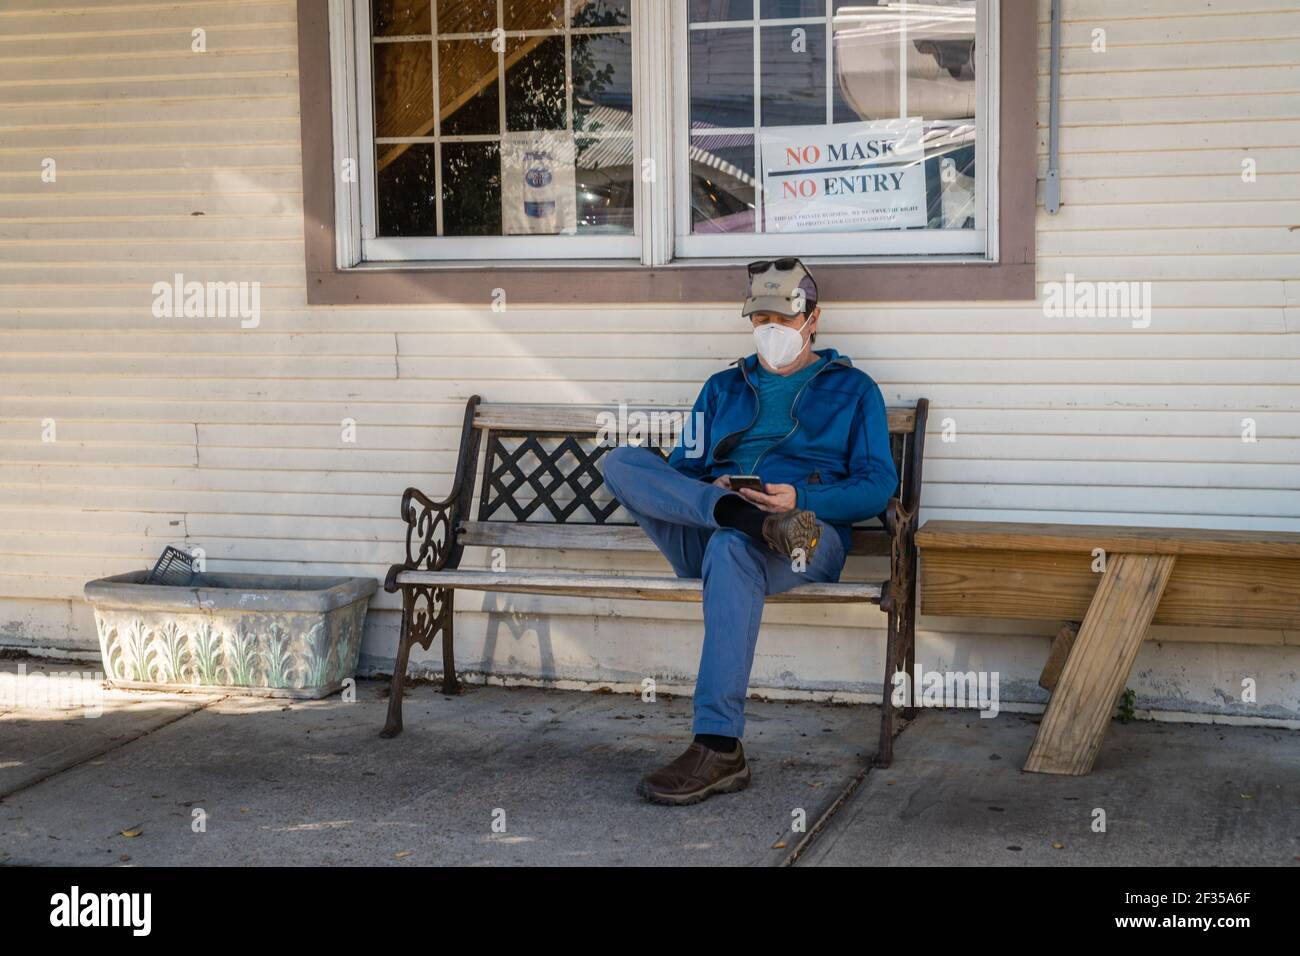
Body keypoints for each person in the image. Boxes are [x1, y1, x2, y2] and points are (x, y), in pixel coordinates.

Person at [601, 258, 898, 805]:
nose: (770, 331)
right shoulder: (721, 388)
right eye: (760, 318)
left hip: (805, 537)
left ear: (813, 319)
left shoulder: (854, 390)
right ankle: (736, 514)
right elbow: (678, 472)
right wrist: (716, 487)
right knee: (620, 460)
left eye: (781, 319)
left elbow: (878, 484)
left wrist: (800, 497)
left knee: (736, 548)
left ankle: (718, 746)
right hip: (717, 524)